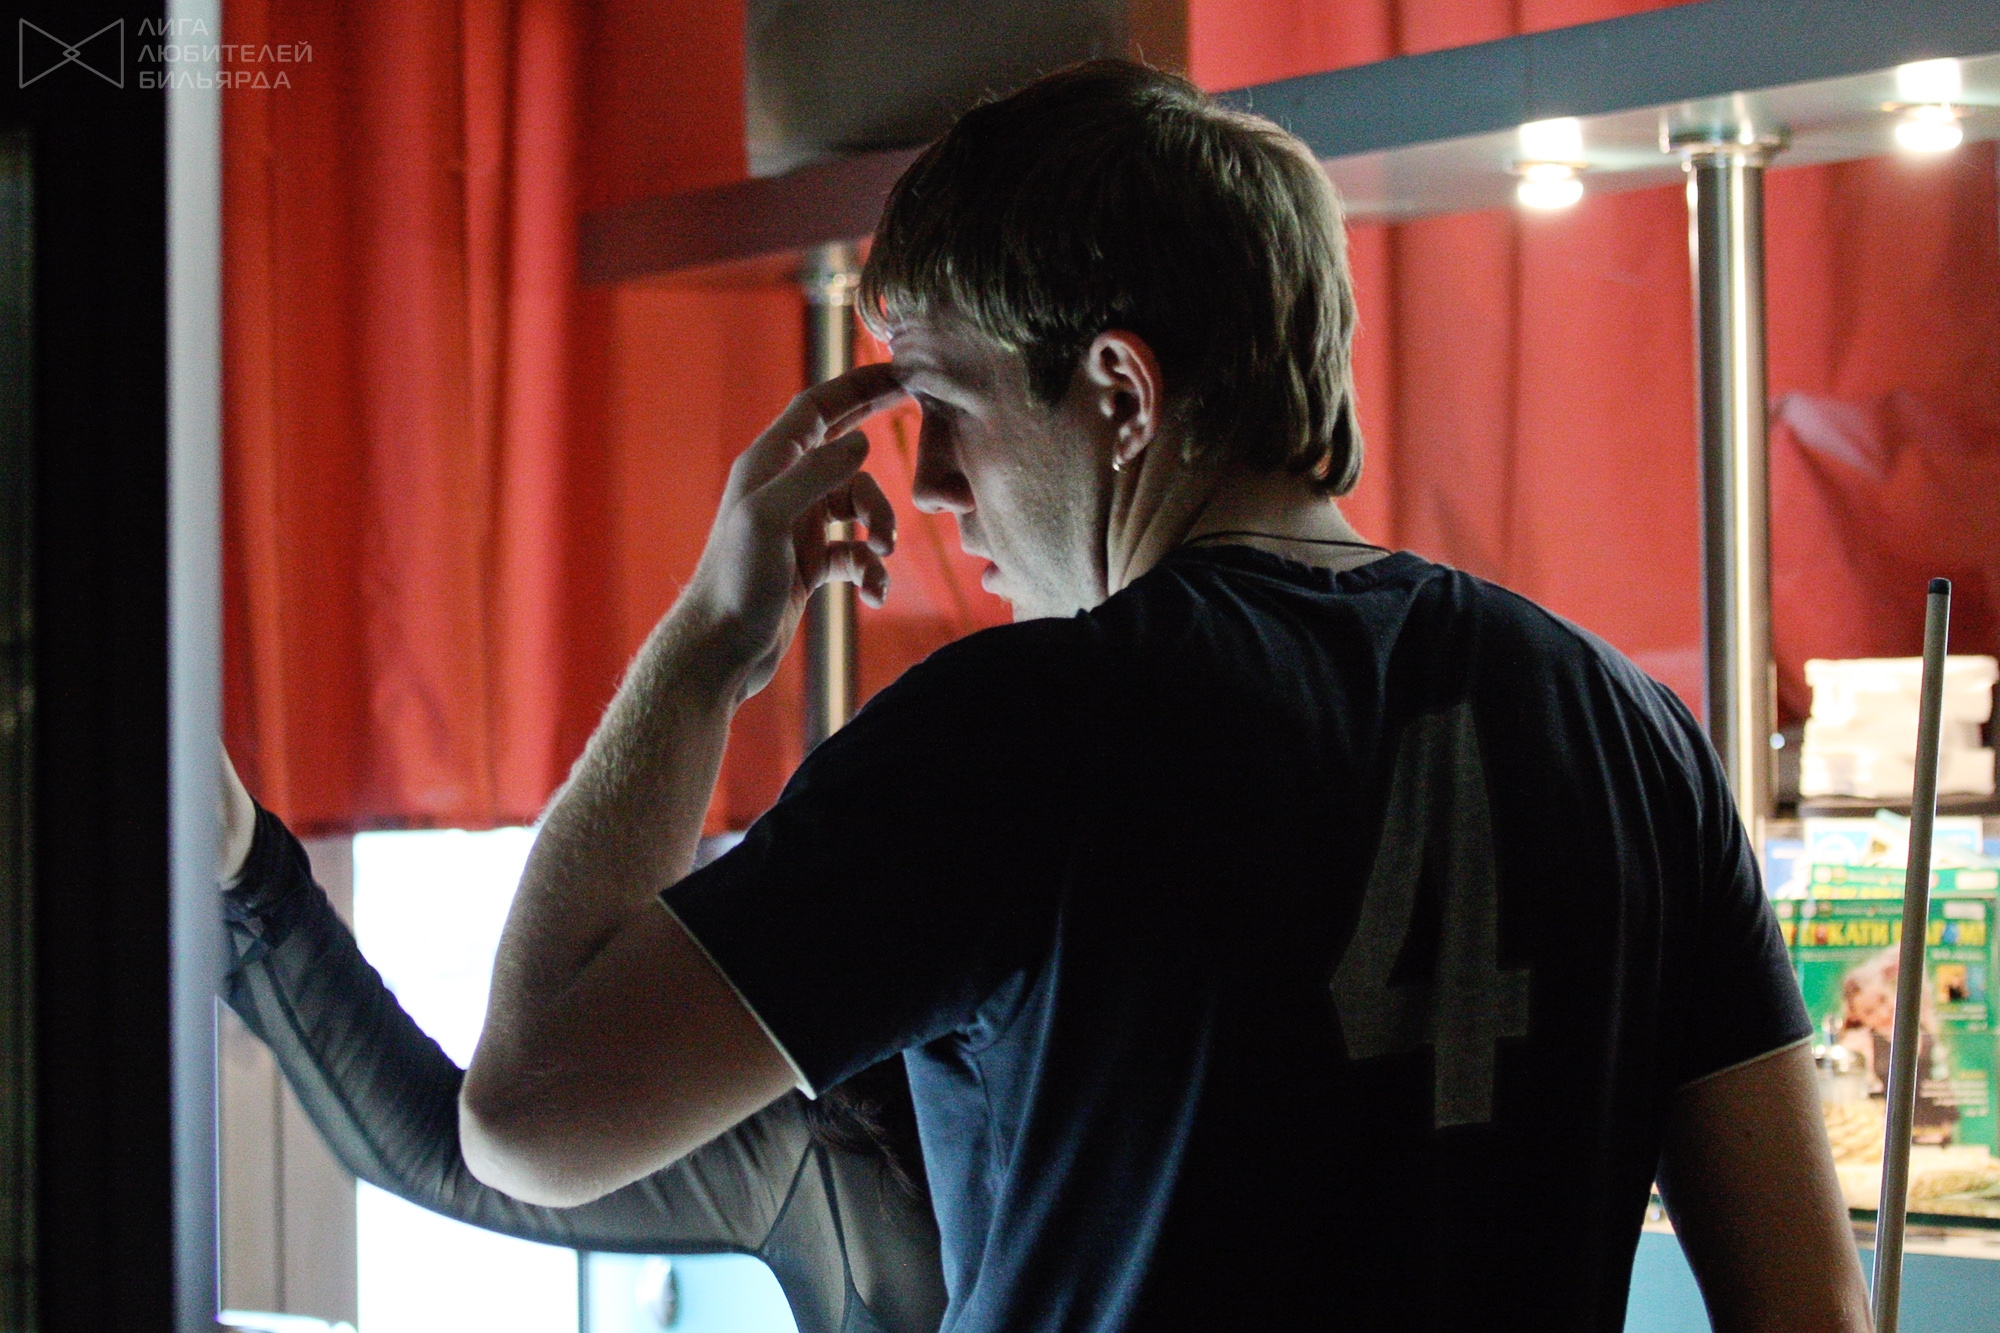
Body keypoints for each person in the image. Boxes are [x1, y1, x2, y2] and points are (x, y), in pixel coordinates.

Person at [442, 60, 1869, 1332]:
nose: (929, 487)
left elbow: (529, 1117)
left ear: (1121, 394)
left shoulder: (1016, 732)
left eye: (949, 410)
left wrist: (709, 640)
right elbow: (1808, 1309)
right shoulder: (1635, 737)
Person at [216, 750, 949, 1333]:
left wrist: (257, 883)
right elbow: (452, 1156)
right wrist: (252, 875)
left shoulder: (816, 1152)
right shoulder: (817, 1133)